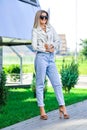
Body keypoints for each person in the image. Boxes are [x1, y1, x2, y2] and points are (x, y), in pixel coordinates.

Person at [32, 10, 69, 120]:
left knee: (57, 83)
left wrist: (52, 46)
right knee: (40, 84)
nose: (44, 20)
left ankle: (62, 107)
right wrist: (45, 48)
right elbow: (34, 46)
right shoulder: (35, 30)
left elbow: (58, 41)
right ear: (38, 18)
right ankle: (42, 110)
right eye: (42, 17)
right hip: (41, 58)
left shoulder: (50, 28)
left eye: (46, 17)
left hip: (51, 58)